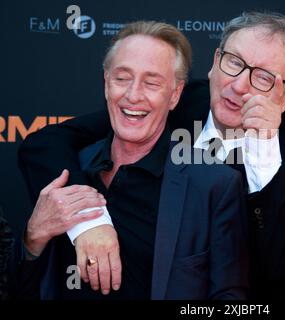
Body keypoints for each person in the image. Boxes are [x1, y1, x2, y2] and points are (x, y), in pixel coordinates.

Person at [19, 12, 285, 299]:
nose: (238, 85)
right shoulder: (171, 100)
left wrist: (265, 152)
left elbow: (283, 272)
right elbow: (48, 143)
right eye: (234, 62)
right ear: (215, 61)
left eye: (264, 77)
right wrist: (86, 216)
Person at [16, 21, 248, 300]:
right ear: (106, 83)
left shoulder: (213, 184)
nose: (133, 95)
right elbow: (23, 288)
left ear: (174, 95)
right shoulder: (70, 169)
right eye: (122, 78)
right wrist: (32, 240)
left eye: (151, 82)